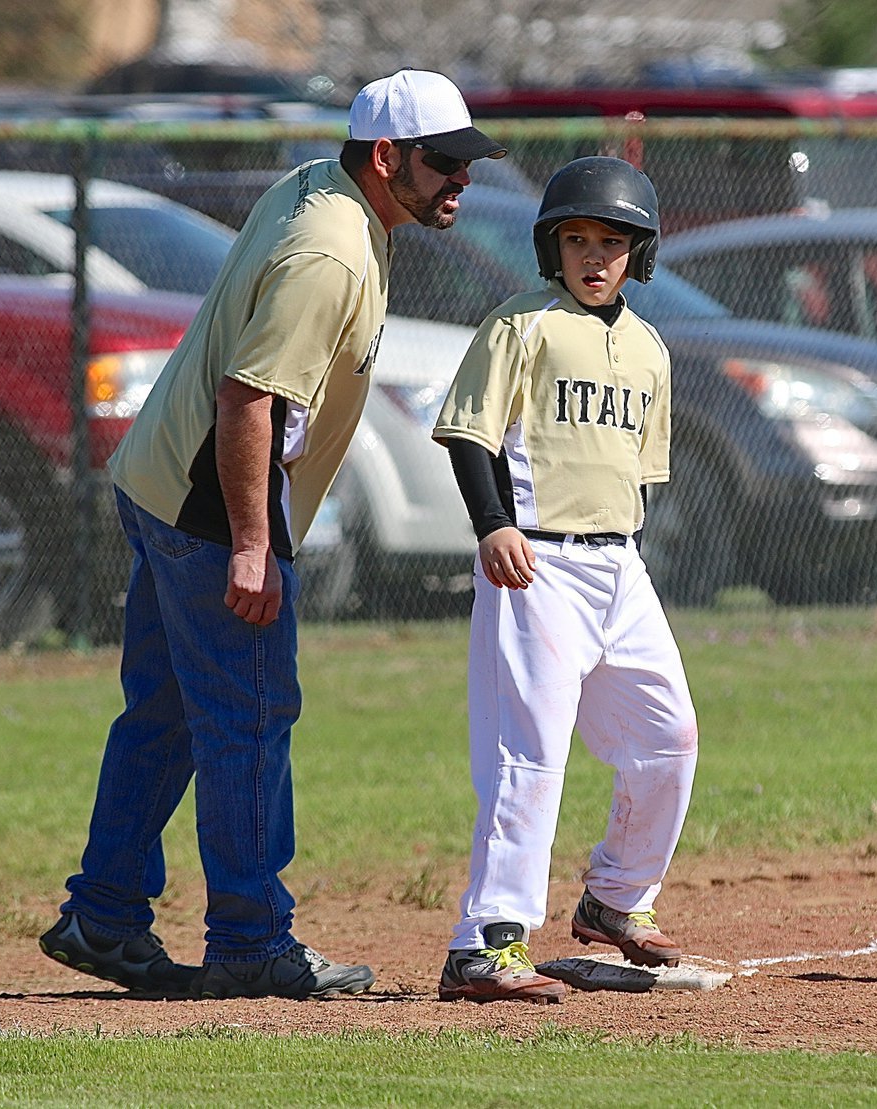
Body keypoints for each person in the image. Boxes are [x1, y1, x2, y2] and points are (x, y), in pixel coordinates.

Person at [39, 69, 506, 1001]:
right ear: (386, 158)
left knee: (169, 713)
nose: (463, 179)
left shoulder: (318, 185)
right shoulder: (332, 252)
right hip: (210, 510)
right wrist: (253, 544)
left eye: (466, 161)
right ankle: (251, 938)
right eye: (445, 162)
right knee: (249, 720)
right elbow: (250, 397)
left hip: (161, 478)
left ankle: (105, 911)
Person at [431, 157, 699, 1004]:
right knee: (529, 755)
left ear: (637, 255)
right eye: (576, 237)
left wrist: (628, 560)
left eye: (611, 241)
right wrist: (492, 525)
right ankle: (486, 942)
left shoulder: (650, 348)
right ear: (552, 245)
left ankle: (617, 897)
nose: (593, 254)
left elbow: (638, 475)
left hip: (620, 565)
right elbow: (470, 433)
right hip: (536, 561)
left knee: (668, 738)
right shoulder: (522, 325)